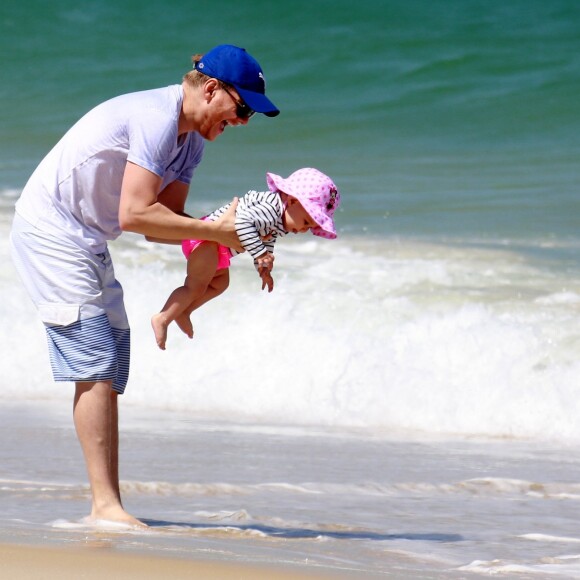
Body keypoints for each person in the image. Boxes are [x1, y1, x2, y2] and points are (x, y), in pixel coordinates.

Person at [9, 44, 279, 527]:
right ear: (212, 89)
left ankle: (107, 503)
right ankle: (105, 507)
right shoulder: (157, 118)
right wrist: (217, 231)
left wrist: (222, 240)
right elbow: (134, 215)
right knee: (93, 358)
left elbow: (163, 224)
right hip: (52, 230)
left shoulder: (190, 139)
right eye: (242, 109)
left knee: (111, 356)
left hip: (86, 236)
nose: (241, 122)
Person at [151, 167, 340, 350]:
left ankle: (184, 310)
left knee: (220, 283)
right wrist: (260, 254)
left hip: (217, 248)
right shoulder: (269, 209)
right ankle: (163, 317)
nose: (303, 230)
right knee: (195, 286)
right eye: (306, 222)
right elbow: (242, 223)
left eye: (309, 227)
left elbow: (266, 239)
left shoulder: (277, 218)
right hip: (206, 241)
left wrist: (263, 267)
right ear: (291, 201)